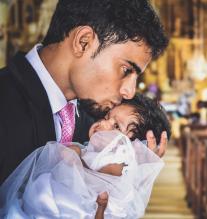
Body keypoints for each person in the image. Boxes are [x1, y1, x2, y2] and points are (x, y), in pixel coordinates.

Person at [0, 0, 169, 184]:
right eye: (126, 70)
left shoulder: (101, 126)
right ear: (83, 42)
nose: (130, 92)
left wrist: (131, 179)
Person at [0, 94, 171, 218]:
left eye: (116, 126)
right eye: (107, 117)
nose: (103, 123)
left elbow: (102, 182)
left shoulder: (117, 167)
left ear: (129, 148)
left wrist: (76, 160)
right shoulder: (89, 149)